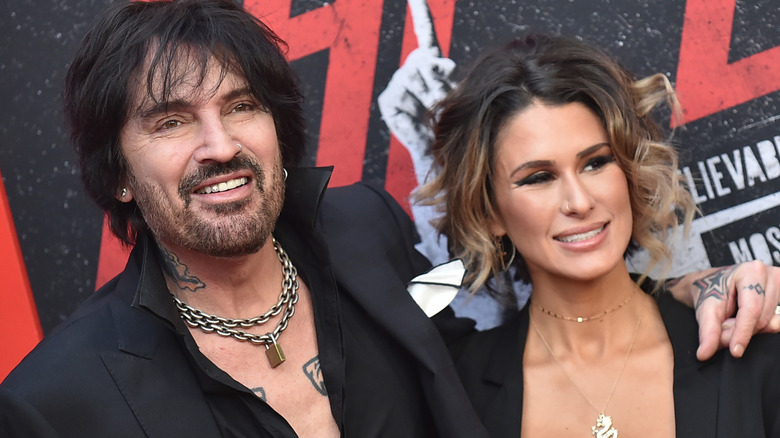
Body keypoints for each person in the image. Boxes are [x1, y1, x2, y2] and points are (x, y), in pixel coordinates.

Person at [0, 1, 775, 436]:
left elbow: (464, 302)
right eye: (171, 122)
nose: (220, 146)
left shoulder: (366, 242)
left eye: (242, 107)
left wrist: (694, 283)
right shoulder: (57, 402)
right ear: (118, 173)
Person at [420, 33, 780, 436]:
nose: (579, 201)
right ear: (489, 213)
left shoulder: (746, 344)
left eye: (595, 163)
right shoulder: (459, 395)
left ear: (627, 170)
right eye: (539, 177)